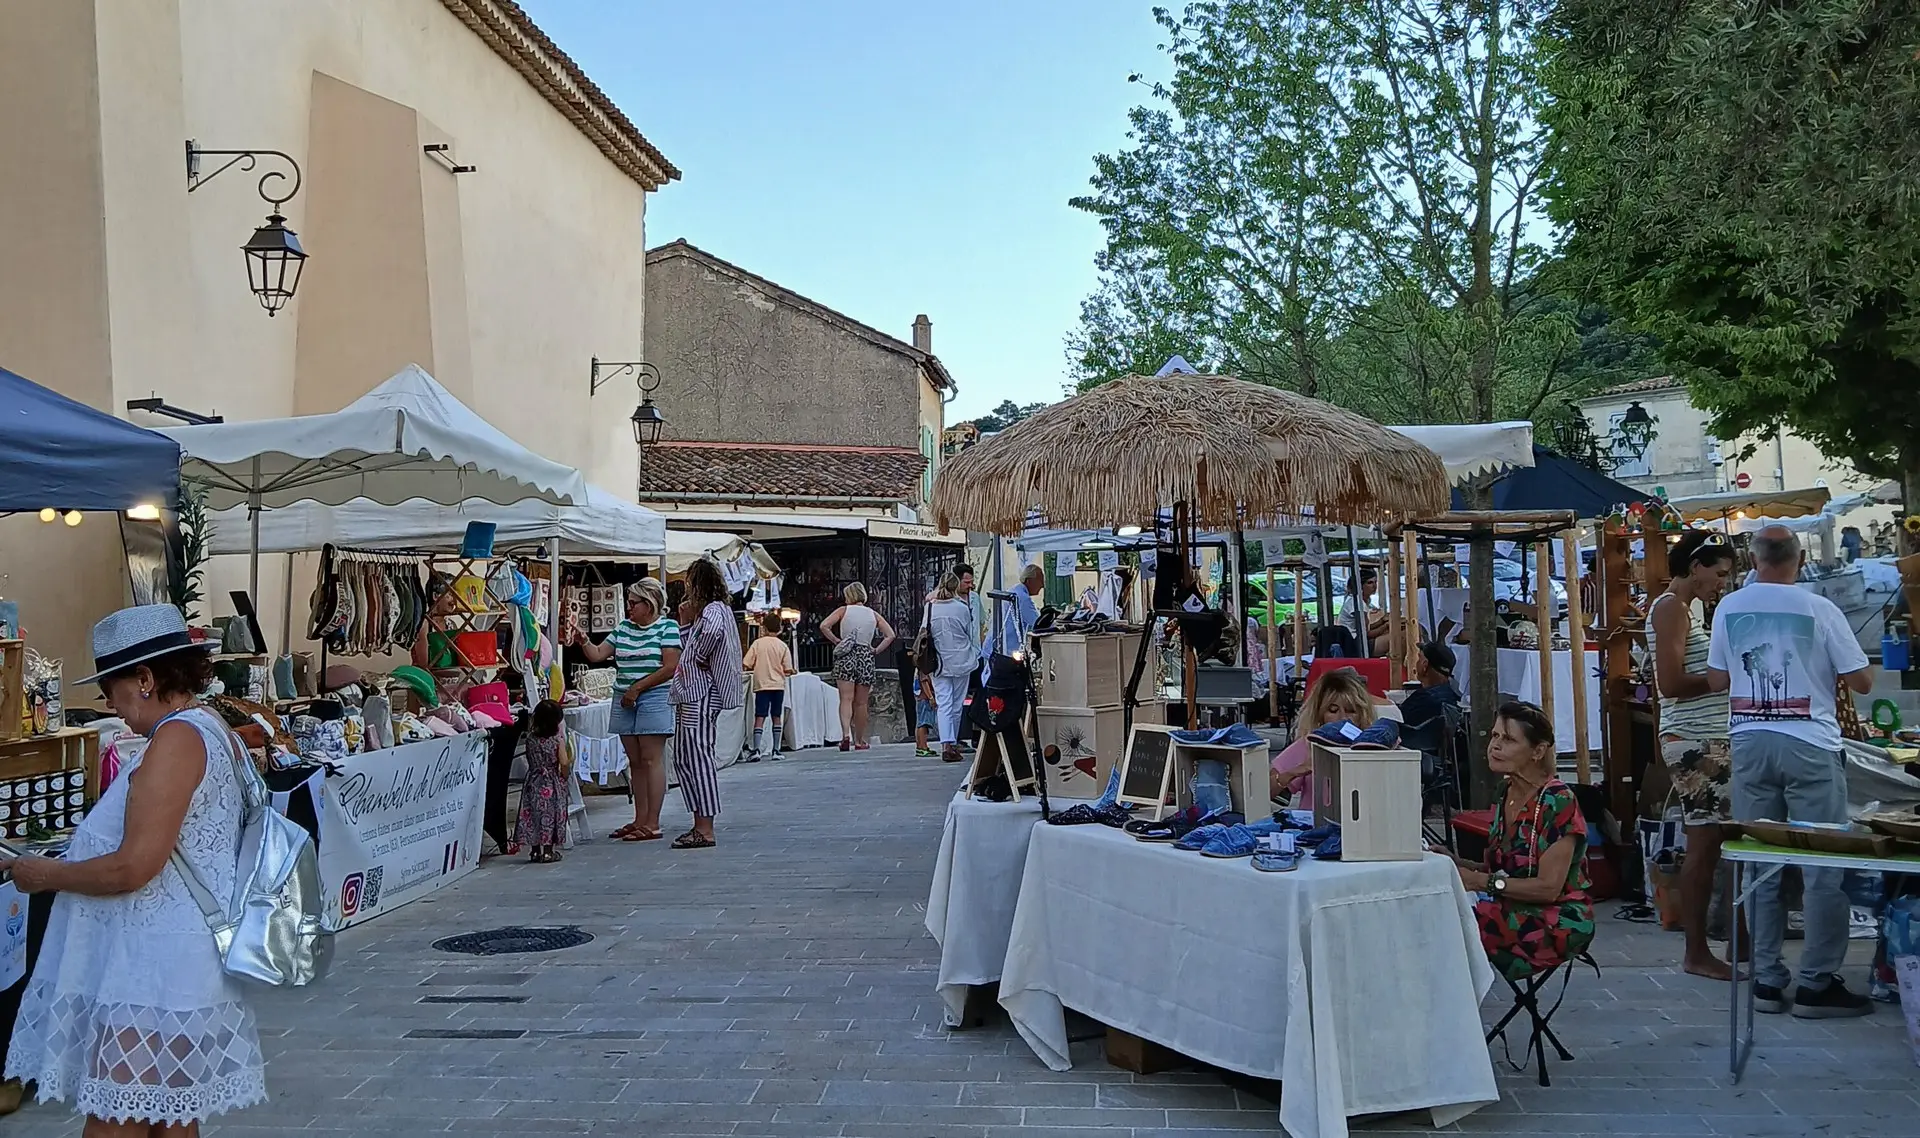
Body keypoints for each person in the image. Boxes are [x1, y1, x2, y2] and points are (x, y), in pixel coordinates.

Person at [2, 604, 268, 1131]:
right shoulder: (208, 728)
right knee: (171, 1120)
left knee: (115, 1120)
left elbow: (133, 867)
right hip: (173, 965)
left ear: (144, 679)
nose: (109, 704)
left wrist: (45, 875)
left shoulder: (176, 740)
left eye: (111, 688)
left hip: (154, 972)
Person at [1707, 524, 1875, 1017]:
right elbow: (1862, 681)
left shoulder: (1729, 608)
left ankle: (1765, 978)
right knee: (1824, 868)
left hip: (1750, 742)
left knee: (1761, 867)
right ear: (1799, 561)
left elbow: (1718, 678)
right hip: (1809, 744)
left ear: (1753, 559)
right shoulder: (1820, 609)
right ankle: (1816, 984)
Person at [1649, 530, 1740, 980]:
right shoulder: (1670, 609)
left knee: (1711, 841)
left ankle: (1708, 945)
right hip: (1694, 741)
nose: (1722, 583)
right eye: (1719, 573)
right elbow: (1670, 684)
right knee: (1702, 844)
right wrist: (1723, 675)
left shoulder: (1691, 609)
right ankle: (1697, 951)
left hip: (1709, 737)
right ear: (1696, 566)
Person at [1451, 702, 1595, 980]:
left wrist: (1479, 882)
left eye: (1508, 739)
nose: (1495, 746)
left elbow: (1547, 889)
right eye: (1494, 736)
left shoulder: (1557, 800)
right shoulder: (1507, 791)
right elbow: (1502, 869)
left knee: (1453, 923)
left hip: (1556, 918)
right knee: (1442, 915)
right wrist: (1454, 863)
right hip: (1511, 903)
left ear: (1537, 751)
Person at [573, 579, 679, 842]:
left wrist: (638, 688)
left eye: (634, 603)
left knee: (652, 758)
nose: (629, 608)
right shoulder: (623, 628)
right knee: (635, 761)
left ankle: (652, 822)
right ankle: (640, 818)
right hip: (625, 697)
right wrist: (584, 640)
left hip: (652, 695)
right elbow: (597, 655)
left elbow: (669, 666)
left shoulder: (667, 627)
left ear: (650, 603)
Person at [1269, 667, 1376, 805]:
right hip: (1316, 823)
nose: (1343, 718)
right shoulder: (1308, 745)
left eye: (1351, 711)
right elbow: (1265, 791)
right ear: (1320, 714)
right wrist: (1295, 771)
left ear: (1362, 714)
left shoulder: (1373, 749)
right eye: (1333, 710)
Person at [820, 582, 895, 752]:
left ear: (849, 596)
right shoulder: (873, 614)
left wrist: (837, 641)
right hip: (865, 655)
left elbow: (824, 625)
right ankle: (860, 740)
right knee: (861, 703)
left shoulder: (843, 611)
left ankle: (845, 735)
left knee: (845, 699)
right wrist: (875, 650)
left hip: (846, 654)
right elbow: (890, 635)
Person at [926, 573, 982, 764]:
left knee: (944, 703)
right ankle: (953, 743)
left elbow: (924, 632)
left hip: (939, 661)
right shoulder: (961, 608)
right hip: (961, 659)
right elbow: (970, 632)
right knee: (957, 704)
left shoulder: (930, 607)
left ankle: (945, 744)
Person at [517, 699, 572, 863]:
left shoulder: (530, 739)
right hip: (552, 781)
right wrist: (565, 775)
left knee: (532, 814)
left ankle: (534, 851)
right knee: (550, 814)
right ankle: (548, 851)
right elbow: (563, 762)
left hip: (533, 779)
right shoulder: (557, 740)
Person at [741, 611, 795, 762]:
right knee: (776, 716)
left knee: (760, 717)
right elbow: (788, 669)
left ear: (763, 628)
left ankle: (756, 749)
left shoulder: (757, 644)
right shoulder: (783, 646)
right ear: (780, 629)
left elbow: (746, 663)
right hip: (778, 685)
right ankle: (776, 750)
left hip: (762, 685)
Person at [1399, 640, 1461, 729]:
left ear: (1425, 666)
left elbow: (1396, 720)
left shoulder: (1422, 699)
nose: (1416, 663)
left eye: (1419, 659)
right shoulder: (1454, 697)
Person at [913, 662, 939, 758]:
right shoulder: (924, 669)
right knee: (924, 723)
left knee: (920, 722)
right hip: (925, 698)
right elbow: (924, 682)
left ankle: (920, 746)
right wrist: (931, 697)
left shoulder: (919, 669)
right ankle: (923, 746)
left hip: (920, 697)